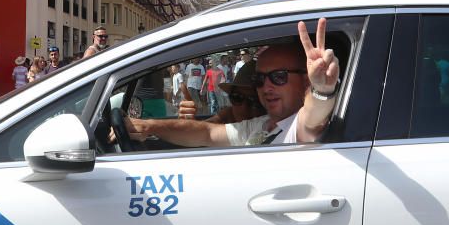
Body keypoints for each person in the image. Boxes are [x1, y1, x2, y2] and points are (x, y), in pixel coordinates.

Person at [126, 19, 340, 147]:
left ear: (305, 81)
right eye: (260, 79)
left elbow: (314, 115)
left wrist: (322, 89)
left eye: (279, 76)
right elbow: (206, 133)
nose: (266, 87)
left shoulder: (298, 126)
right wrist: (149, 126)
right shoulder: (262, 126)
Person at [177, 60, 263, 124]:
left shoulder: (269, 126)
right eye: (237, 97)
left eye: (254, 101)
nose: (244, 108)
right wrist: (189, 122)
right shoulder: (229, 114)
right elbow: (204, 128)